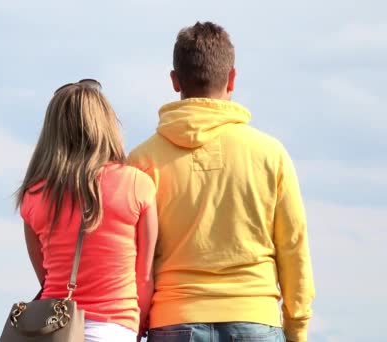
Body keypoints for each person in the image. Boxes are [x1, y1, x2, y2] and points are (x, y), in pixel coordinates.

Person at [128, 22, 315, 342]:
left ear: (175, 81)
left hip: (174, 318)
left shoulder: (142, 161)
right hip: (254, 317)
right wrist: (296, 328)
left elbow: (130, 256)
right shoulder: (270, 154)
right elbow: (294, 247)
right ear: (232, 78)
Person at [16, 79, 158, 342]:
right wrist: (139, 323)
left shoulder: (33, 195)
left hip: (54, 330)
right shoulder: (137, 184)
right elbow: (144, 277)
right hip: (113, 330)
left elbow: (46, 278)